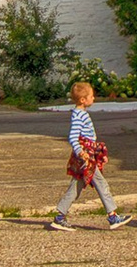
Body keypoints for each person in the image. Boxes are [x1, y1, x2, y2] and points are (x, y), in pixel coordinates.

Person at [47, 78, 128, 231]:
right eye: (91, 96)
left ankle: (60, 217)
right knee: (101, 184)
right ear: (83, 100)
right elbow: (73, 136)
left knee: (76, 186)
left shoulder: (80, 113)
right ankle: (112, 216)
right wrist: (81, 152)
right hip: (85, 159)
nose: (93, 98)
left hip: (88, 156)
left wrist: (97, 153)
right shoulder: (79, 115)